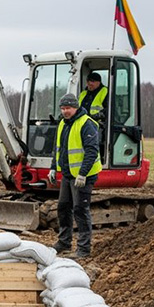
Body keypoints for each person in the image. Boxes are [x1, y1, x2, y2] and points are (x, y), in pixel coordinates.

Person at [47, 93, 102, 259]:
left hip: (84, 176)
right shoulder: (63, 124)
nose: (65, 111)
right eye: (63, 108)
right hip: (68, 174)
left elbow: (92, 151)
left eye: (68, 108)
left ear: (76, 107)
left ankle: (84, 249)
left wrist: (82, 174)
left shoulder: (86, 124)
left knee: (80, 209)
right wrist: (53, 168)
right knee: (63, 207)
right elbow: (59, 149)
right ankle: (64, 242)